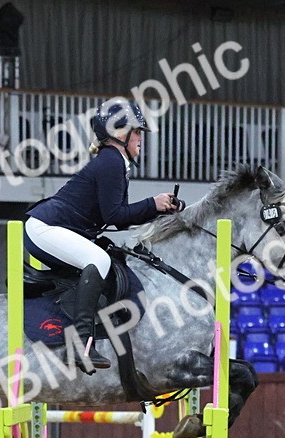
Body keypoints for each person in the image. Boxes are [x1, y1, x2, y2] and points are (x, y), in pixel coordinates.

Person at [24, 98, 178, 372]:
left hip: (54, 227)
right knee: (99, 260)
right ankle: (81, 343)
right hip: (45, 228)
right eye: (138, 131)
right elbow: (115, 216)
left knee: (99, 258)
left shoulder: (115, 161)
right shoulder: (111, 162)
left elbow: (118, 218)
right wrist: (153, 204)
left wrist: (159, 209)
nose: (141, 139)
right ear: (121, 133)